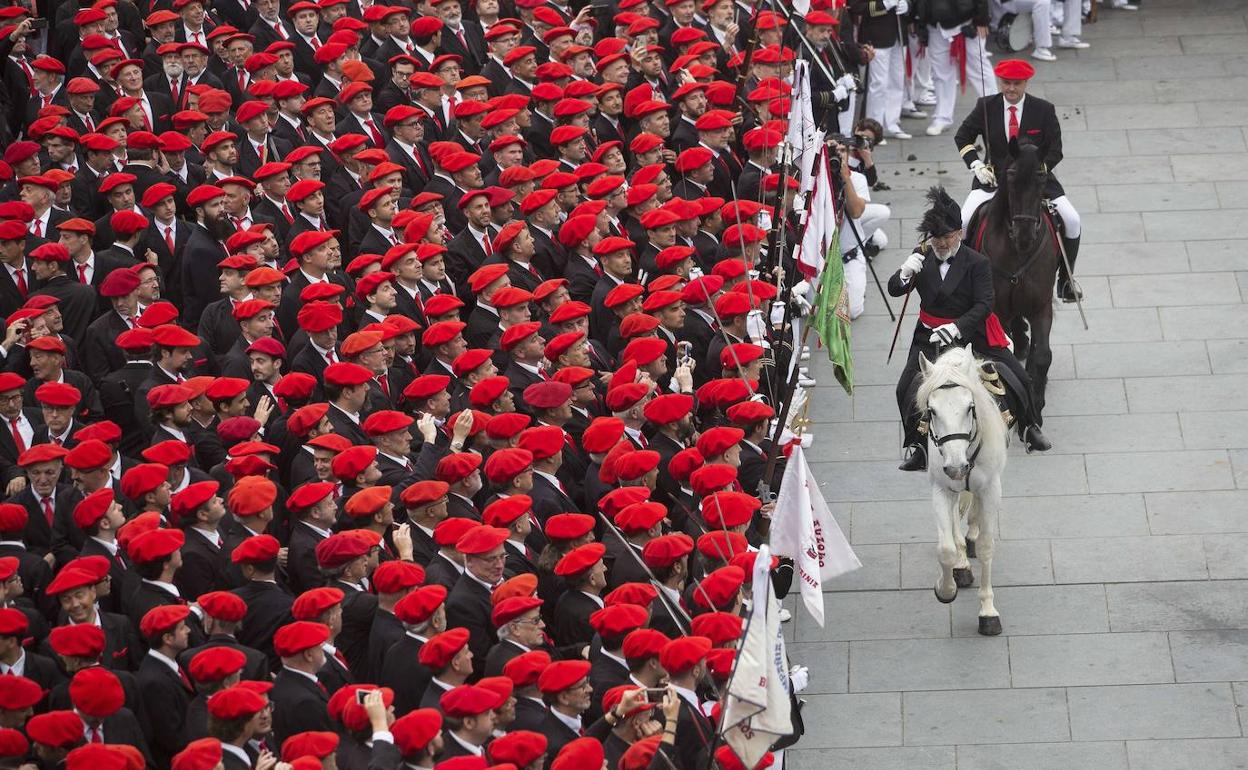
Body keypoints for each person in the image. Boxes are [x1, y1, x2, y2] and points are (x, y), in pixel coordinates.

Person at [889, 187, 1050, 472]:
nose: (942, 243)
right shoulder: (922, 256)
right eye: (936, 238)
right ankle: (918, 446)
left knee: (1019, 377)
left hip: (970, 332)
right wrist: (904, 274)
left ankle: (1030, 426)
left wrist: (956, 327)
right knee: (905, 388)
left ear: (959, 233)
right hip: (929, 336)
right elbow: (895, 290)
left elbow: (985, 303)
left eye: (948, 237)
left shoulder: (977, 262)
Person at [953, 58, 1082, 301]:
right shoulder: (985, 106)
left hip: (1035, 181)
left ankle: (1066, 280)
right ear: (1000, 82)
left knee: (1072, 220)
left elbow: (1056, 149)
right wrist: (977, 165)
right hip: (994, 180)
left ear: (1026, 83)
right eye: (1006, 83)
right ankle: (965, 277)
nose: (1011, 89)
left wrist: (1037, 171)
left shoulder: (1043, 109)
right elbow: (963, 137)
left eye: (1017, 84)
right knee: (963, 221)